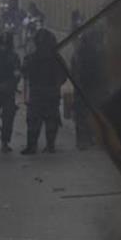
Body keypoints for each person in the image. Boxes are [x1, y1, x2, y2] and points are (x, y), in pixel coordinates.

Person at [21, 28, 67, 154]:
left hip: (37, 93)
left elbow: (24, 72)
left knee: (33, 120)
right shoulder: (57, 58)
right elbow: (64, 75)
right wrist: (55, 86)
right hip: (51, 93)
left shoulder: (31, 57)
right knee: (51, 120)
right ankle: (50, 146)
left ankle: (32, 146)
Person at [69, 11, 102, 150]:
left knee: (83, 114)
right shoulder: (94, 53)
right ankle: (87, 139)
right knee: (87, 113)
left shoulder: (80, 54)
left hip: (85, 87)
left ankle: (85, 140)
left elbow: (73, 71)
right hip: (89, 87)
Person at [0, 30, 22, 153]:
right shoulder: (14, 56)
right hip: (7, 92)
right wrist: (10, 86)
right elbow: (17, 75)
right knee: (8, 118)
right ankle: (4, 143)